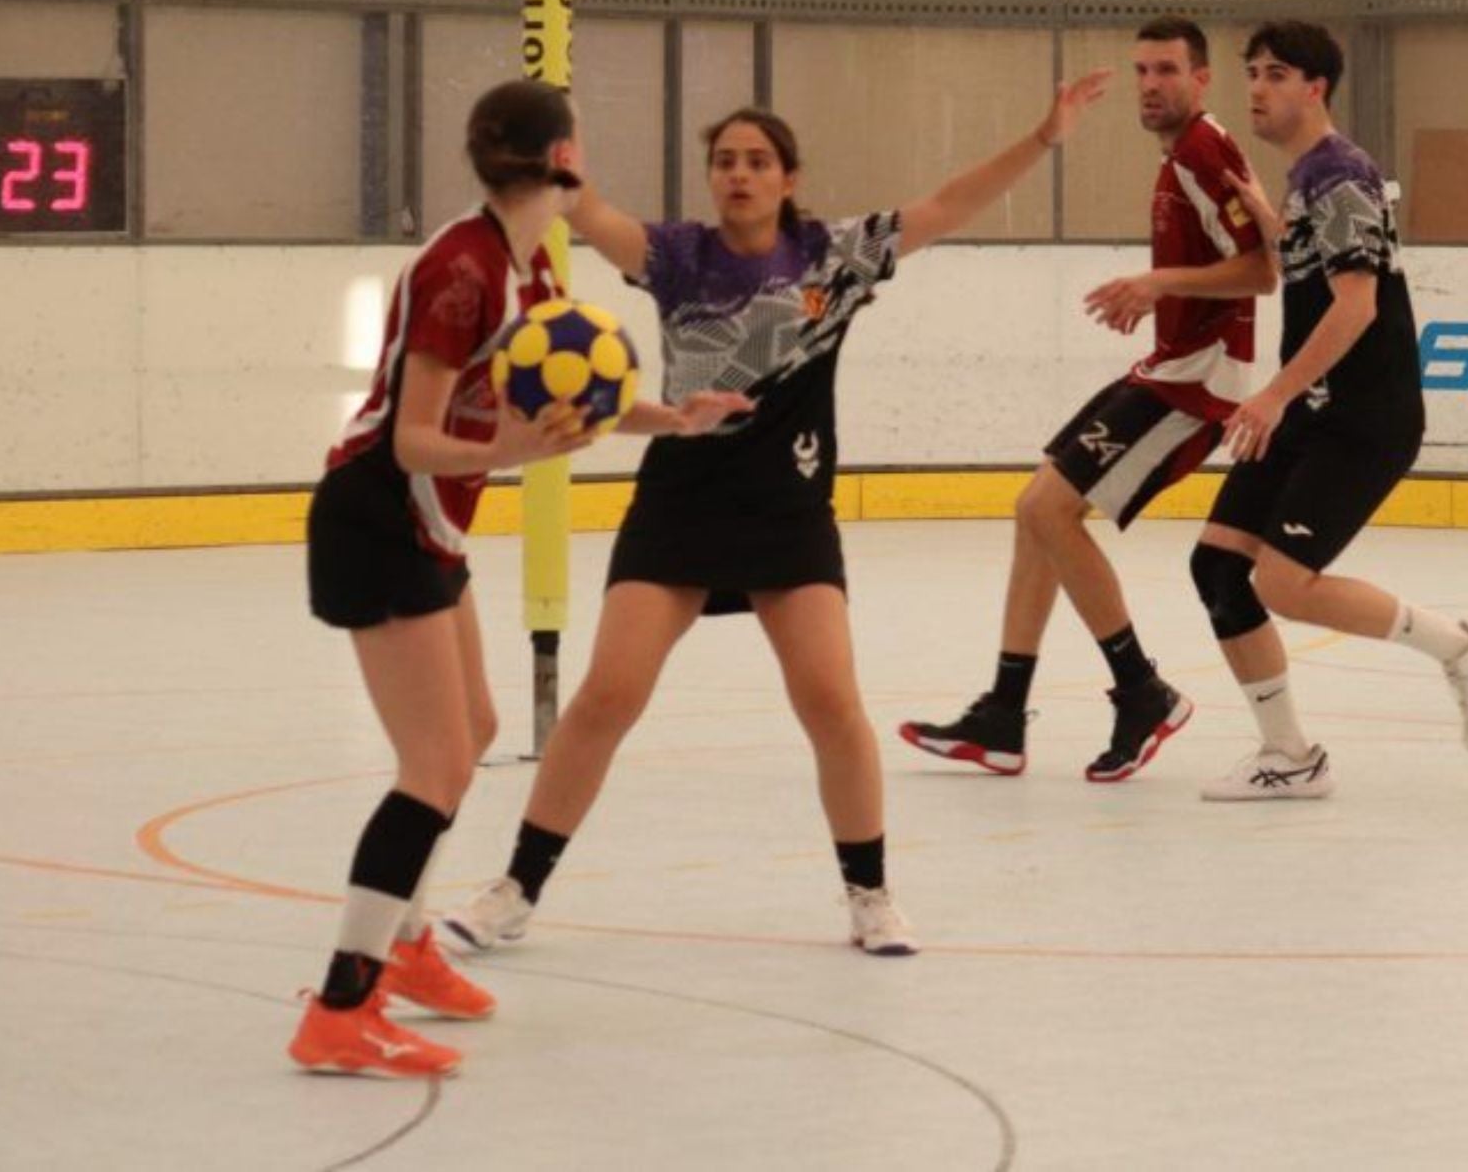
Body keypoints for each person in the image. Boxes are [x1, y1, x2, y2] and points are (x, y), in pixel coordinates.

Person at [443, 76, 1106, 957]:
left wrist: (1043, 135)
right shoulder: (677, 256)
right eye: (724, 162)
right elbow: (591, 214)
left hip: (787, 513)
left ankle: (869, 894)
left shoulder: (833, 254)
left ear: (789, 177)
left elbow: (948, 204)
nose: (738, 175)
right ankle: (516, 887)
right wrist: (559, 160)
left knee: (831, 700)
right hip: (679, 503)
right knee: (605, 697)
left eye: (757, 161)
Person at [288, 79, 602, 1078]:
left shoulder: (528, 267)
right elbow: (417, 440)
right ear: (561, 156)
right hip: (380, 518)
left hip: (427, 527)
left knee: (472, 733)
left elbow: (567, 382)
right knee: (433, 768)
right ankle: (342, 1004)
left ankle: (409, 948)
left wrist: (668, 416)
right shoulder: (462, 269)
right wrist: (514, 445)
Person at [898, 18, 1273, 782]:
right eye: (1141, 71)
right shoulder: (1181, 157)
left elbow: (1262, 271)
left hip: (1199, 384)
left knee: (1046, 508)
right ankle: (1003, 713)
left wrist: (1157, 283)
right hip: (1169, 365)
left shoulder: (1204, 149)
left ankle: (1142, 691)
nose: (1150, 85)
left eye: (1166, 70)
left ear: (1201, 80)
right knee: (1035, 507)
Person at [1187, 21, 1468, 802]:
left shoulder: (1341, 176)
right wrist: (1267, 214)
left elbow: (1356, 306)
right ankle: (1289, 754)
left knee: (1285, 583)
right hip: (1315, 413)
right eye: (1252, 72)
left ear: (1316, 88)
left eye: (1276, 74)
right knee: (1220, 569)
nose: (1257, 87)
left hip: (1365, 416)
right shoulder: (1310, 178)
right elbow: (1312, 256)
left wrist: (1271, 393)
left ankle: (1464, 645)